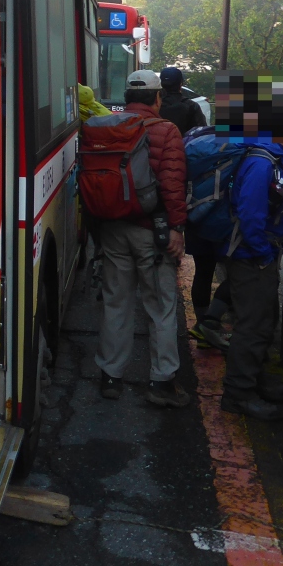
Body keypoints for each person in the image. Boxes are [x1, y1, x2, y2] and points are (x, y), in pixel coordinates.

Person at [95, 70, 192, 408]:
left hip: (112, 227)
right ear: (157, 98)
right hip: (152, 230)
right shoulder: (166, 130)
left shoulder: (109, 126)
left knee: (116, 303)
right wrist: (177, 227)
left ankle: (111, 376)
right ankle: (161, 381)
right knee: (160, 306)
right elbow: (173, 183)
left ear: (126, 98)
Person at [219, 142, 283, 420]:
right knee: (252, 326)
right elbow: (251, 216)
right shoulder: (262, 164)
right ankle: (238, 394)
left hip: (254, 255)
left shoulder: (272, 158)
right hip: (250, 257)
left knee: (263, 321)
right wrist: (263, 255)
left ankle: (253, 380)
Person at [158, 66, 207, 136]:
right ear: (181, 84)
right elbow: (202, 132)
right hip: (185, 142)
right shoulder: (191, 106)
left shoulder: (153, 105)